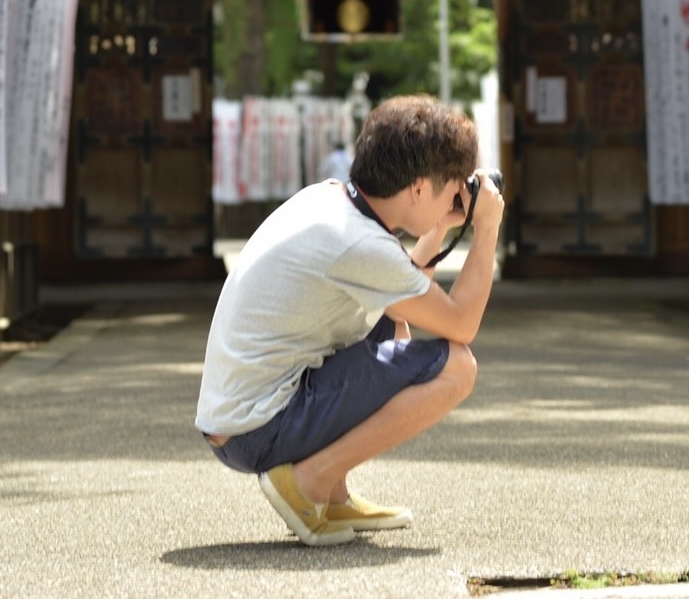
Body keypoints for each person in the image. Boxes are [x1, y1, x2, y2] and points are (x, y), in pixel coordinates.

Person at [195, 93, 505, 546]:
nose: (455, 199)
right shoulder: (360, 244)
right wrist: (488, 229)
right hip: (256, 431)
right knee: (457, 368)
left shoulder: (331, 201)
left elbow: (404, 297)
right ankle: (310, 482)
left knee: (391, 326)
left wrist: (439, 225)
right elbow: (460, 324)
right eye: (449, 189)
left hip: (237, 419)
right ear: (419, 188)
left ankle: (333, 494)